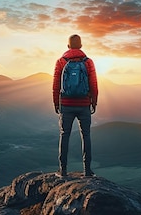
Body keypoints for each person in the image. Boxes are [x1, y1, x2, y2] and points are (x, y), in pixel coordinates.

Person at [52, 34, 99, 178]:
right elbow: (94, 84)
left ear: (68, 46)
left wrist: (56, 103)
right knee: (86, 136)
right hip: (84, 104)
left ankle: (63, 170)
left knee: (64, 135)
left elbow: (55, 85)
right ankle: (87, 171)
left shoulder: (61, 61)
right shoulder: (88, 62)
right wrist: (94, 102)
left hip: (66, 104)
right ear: (81, 46)